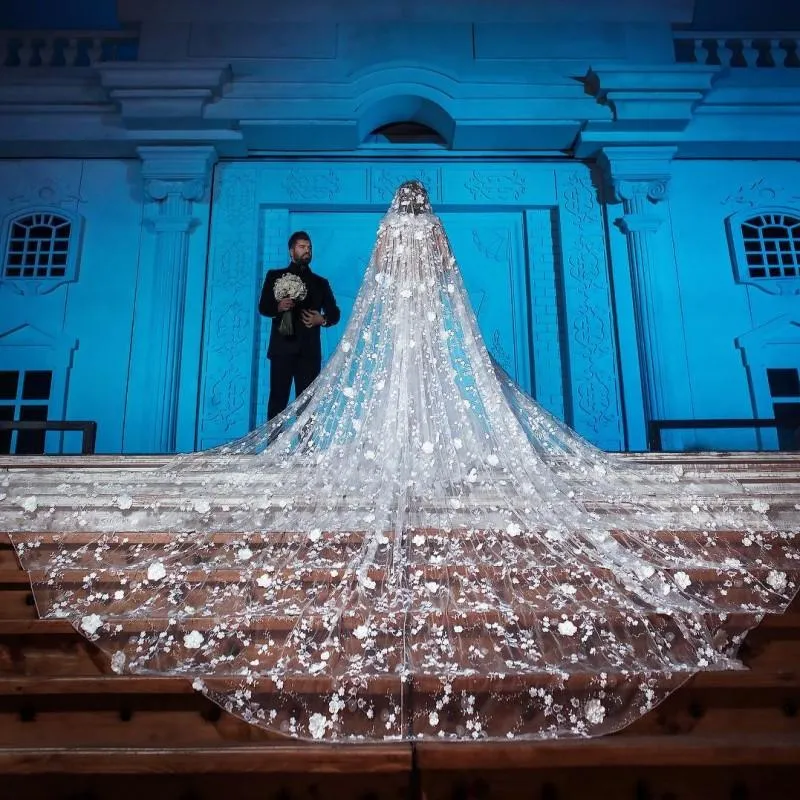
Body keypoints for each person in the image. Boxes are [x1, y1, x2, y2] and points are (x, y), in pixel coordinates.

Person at [4, 182, 797, 743]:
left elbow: (374, 304)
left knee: (349, 395)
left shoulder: (380, 249)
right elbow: (418, 296)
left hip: (371, 338)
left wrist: (343, 310)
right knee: (319, 399)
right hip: (358, 338)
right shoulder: (368, 256)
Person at [258, 231, 340, 420]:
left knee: (308, 405)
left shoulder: (321, 283)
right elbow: (263, 307)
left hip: (309, 352)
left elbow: (334, 313)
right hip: (282, 349)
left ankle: (305, 449)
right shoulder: (274, 276)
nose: (307, 251)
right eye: (302, 247)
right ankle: (273, 447)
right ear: (291, 251)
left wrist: (323, 319)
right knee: (278, 400)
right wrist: (278, 306)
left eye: (309, 248)